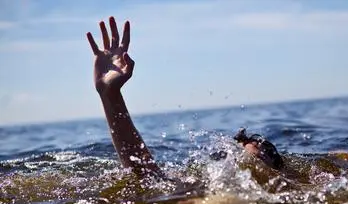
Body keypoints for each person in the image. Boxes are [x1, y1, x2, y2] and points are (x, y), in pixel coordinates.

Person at [86, 17, 285, 181]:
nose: (251, 146)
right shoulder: (204, 186)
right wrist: (110, 94)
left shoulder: (288, 193)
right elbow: (146, 175)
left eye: (262, 147)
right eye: (245, 145)